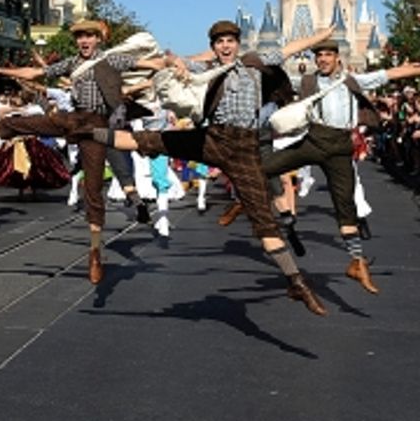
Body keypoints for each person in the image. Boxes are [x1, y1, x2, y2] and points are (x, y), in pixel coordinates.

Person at [90, 20, 336, 314]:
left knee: (264, 220)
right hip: (213, 138)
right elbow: (175, 64)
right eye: (219, 42)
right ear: (213, 48)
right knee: (153, 140)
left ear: (238, 43)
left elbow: (288, 49)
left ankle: (296, 282)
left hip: (245, 147)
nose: (225, 46)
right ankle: (88, 133)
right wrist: (170, 63)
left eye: (230, 41)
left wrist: (320, 37)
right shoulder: (202, 70)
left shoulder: (254, 63)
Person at [0, 19, 144, 284]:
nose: (84, 41)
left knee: (93, 190)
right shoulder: (71, 63)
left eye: (89, 36)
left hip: (99, 126)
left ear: (98, 39)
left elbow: (147, 64)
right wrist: (0, 71)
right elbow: (36, 74)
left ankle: (95, 251)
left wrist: (172, 65)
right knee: (20, 122)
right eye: (80, 37)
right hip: (74, 119)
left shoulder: (111, 60)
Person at [261, 40, 420, 293]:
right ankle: (259, 205)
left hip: (340, 147)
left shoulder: (352, 81)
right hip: (314, 140)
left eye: (328, 55)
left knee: (345, 205)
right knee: (264, 168)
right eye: (320, 56)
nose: (324, 59)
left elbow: (390, 74)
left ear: (338, 58)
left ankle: (357, 263)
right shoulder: (305, 82)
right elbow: (272, 74)